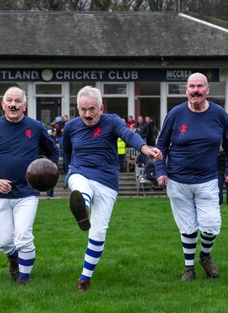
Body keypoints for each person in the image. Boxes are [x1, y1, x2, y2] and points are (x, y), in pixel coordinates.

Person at [63, 86, 162, 291]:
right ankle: (83, 207)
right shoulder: (71, 127)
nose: (88, 114)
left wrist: (145, 149)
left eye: (92, 109)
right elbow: (66, 151)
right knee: (80, 188)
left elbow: (129, 135)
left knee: (98, 233)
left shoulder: (112, 121)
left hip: (107, 182)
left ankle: (85, 278)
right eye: (83, 110)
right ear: (77, 108)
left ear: (101, 107)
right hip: (80, 173)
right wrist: (69, 172)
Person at [155, 72, 228, 282]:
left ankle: (205, 256)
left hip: (207, 180)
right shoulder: (175, 114)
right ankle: (189, 268)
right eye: (192, 86)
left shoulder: (219, 114)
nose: (196, 90)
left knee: (211, 225)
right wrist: (161, 171)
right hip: (178, 181)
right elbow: (161, 145)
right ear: (186, 90)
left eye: (200, 86)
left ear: (207, 90)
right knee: (188, 227)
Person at [0, 86, 59, 286]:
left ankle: (24, 278)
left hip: (27, 193)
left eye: (17, 101)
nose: (13, 105)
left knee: (23, 235)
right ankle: (13, 257)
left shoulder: (36, 126)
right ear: (3, 104)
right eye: (9, 101)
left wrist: (48, 174)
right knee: (4, 242)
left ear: (25, 105)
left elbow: (53, 152)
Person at [46, 128, 60, 198]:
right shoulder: (49, 138)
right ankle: (49, 194)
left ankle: (50, 194)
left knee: (52, 179)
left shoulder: (55, 138)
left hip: (52, 162)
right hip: (49, 162)